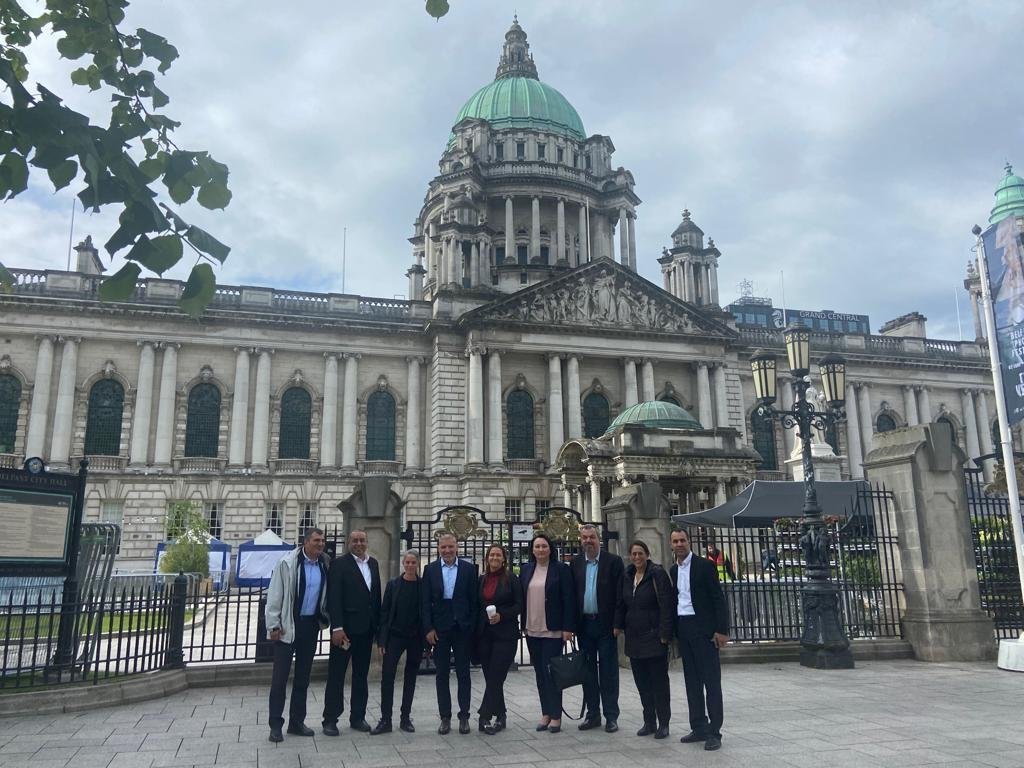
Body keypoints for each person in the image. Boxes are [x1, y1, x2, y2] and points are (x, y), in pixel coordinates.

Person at [265, 527, 330, 743]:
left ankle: (296, 722)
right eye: (316, 540)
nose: (320, 544)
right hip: (286, 627)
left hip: (309, 627)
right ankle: (275, 724)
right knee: (279, 679)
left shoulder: (324, 563)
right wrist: (273, 625)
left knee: (302, 678)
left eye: (322, 541)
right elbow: (275, 595)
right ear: (305, 542)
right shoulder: (288, 563)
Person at [670, 529, 730, 752]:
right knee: (692, 682)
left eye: (682, 540)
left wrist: (721, 630)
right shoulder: (673, 570)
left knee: (711, 682)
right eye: (675, 541)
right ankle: (698, 726)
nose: (679, 544)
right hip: (684, 628)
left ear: (689, 542)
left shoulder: (705, 566)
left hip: (704, 629)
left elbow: (718, 598)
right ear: (670, 544)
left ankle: (715, 731)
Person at [322, 530, 382, 736]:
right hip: (345, 632)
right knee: (336, 675)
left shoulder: (373, 563)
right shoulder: (339, 565)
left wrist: (378, 628)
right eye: (355, 540)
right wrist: (337, 627)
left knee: (360, 675)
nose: (358, 543)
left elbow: (375, 598)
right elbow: (334, 597)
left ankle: (358, 716)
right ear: (348, 543)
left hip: (366, 631)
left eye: (362, 540)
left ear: (366, 542)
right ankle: (330, 718)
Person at [614, 539, 674, 740]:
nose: (637, 557)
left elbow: (667, 605)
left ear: (647, 555)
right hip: (634, 638)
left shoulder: (657, 574)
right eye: (634, 554)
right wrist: (617, 625)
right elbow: (621, 604)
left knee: (659, 683)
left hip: (654, 636)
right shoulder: (628, 575)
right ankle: (649, 721)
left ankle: (663, 722)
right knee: (642, 684)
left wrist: (665, 634)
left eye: (640, 553)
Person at [421, 532, 478, 735]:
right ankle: (445, 717)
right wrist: (428, 628)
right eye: (443, 547)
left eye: (450, 547)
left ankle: (464, 716)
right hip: (440, 630)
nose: (447, 551)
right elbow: (425, 602)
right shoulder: (430, 570)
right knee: (441, 674)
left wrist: (470, 626)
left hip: (462, 629)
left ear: (457, 547)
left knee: (464, 674)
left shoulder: (469, 569)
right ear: (438, 548)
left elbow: (474, 601)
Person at [519, 533, 575, 734]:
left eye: (544, 546)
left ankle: (556, 715)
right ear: (532, 550)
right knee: (540, 674)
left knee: (552, 673)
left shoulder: (560, 570)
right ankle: (545, 712)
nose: (540, 550)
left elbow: (569, 599)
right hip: (532, 628)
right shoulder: (526, 570)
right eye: (537, 546)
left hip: (553, 629)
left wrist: (568, 628)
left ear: (550, 549)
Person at [571, 523, 624, 733]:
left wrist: (618, 624)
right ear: (580, 540)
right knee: (588, 673)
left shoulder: (613, 562)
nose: (588, 541)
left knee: (609, 672)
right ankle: (593, 714)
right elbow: (571, 596)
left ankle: (611, 716)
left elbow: (620, 596)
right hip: (585, 625)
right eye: (584, 538)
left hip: (606, 626)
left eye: (591, 537)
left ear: (599, 539)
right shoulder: (575, 564)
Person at [372, 550, 423, 735]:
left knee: (411, 678)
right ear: (403, 563)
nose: (410, 565)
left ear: (417, 564)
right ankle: (385, 719)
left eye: (413, 562)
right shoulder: (393, 585)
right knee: (387, 677)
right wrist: (381, 640)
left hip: (415, 638)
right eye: (407, 562)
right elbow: (384, 613)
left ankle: (405, 717)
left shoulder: (423, 585)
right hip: (395, 637)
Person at [476, 544, 524, 735]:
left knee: (496, 676)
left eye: (498, 555)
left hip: (506, 635)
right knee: (492, 678)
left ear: (504, 559)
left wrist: (502, 615)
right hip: (485, 636)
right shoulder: (481, 580)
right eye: (491, 555)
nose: (494, 558)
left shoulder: (511, 579)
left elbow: (519, 605)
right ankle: (501, 715)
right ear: (487, 558)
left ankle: (484, 716)